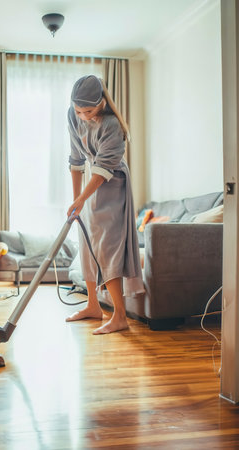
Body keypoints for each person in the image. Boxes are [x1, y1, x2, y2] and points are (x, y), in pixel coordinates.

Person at [66, 75, 144, 335]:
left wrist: (81, 198)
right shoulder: (73, 115)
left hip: (112, 183)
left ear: (100, 103)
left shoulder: (112, 125)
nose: (83, 116)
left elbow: (102, 170)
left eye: (88, 111)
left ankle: (120, 316)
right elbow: (76, 159)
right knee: (87, 239)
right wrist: (76, 202)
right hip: (92, 182)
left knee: (107, 245)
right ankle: (93, 306)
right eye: (78, 111)